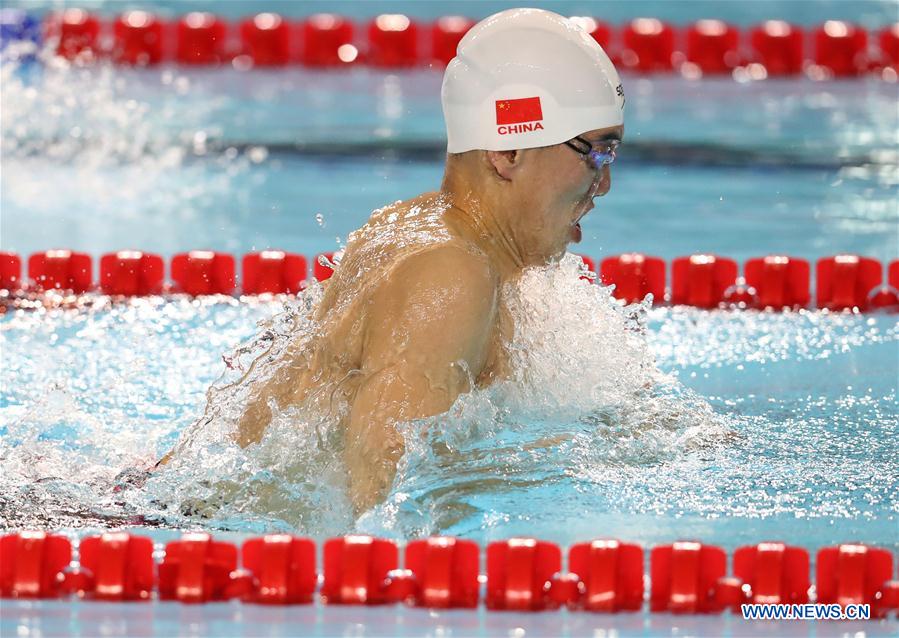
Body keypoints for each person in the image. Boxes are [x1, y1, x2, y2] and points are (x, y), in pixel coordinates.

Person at [163, 8, 625, 515]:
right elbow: (384, 499)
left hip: (179, 511)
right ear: (508, 150)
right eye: (595, 153)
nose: (603, 183)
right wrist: (567, 466)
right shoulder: (453, 275)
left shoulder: (417, 227)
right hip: (209, 537)